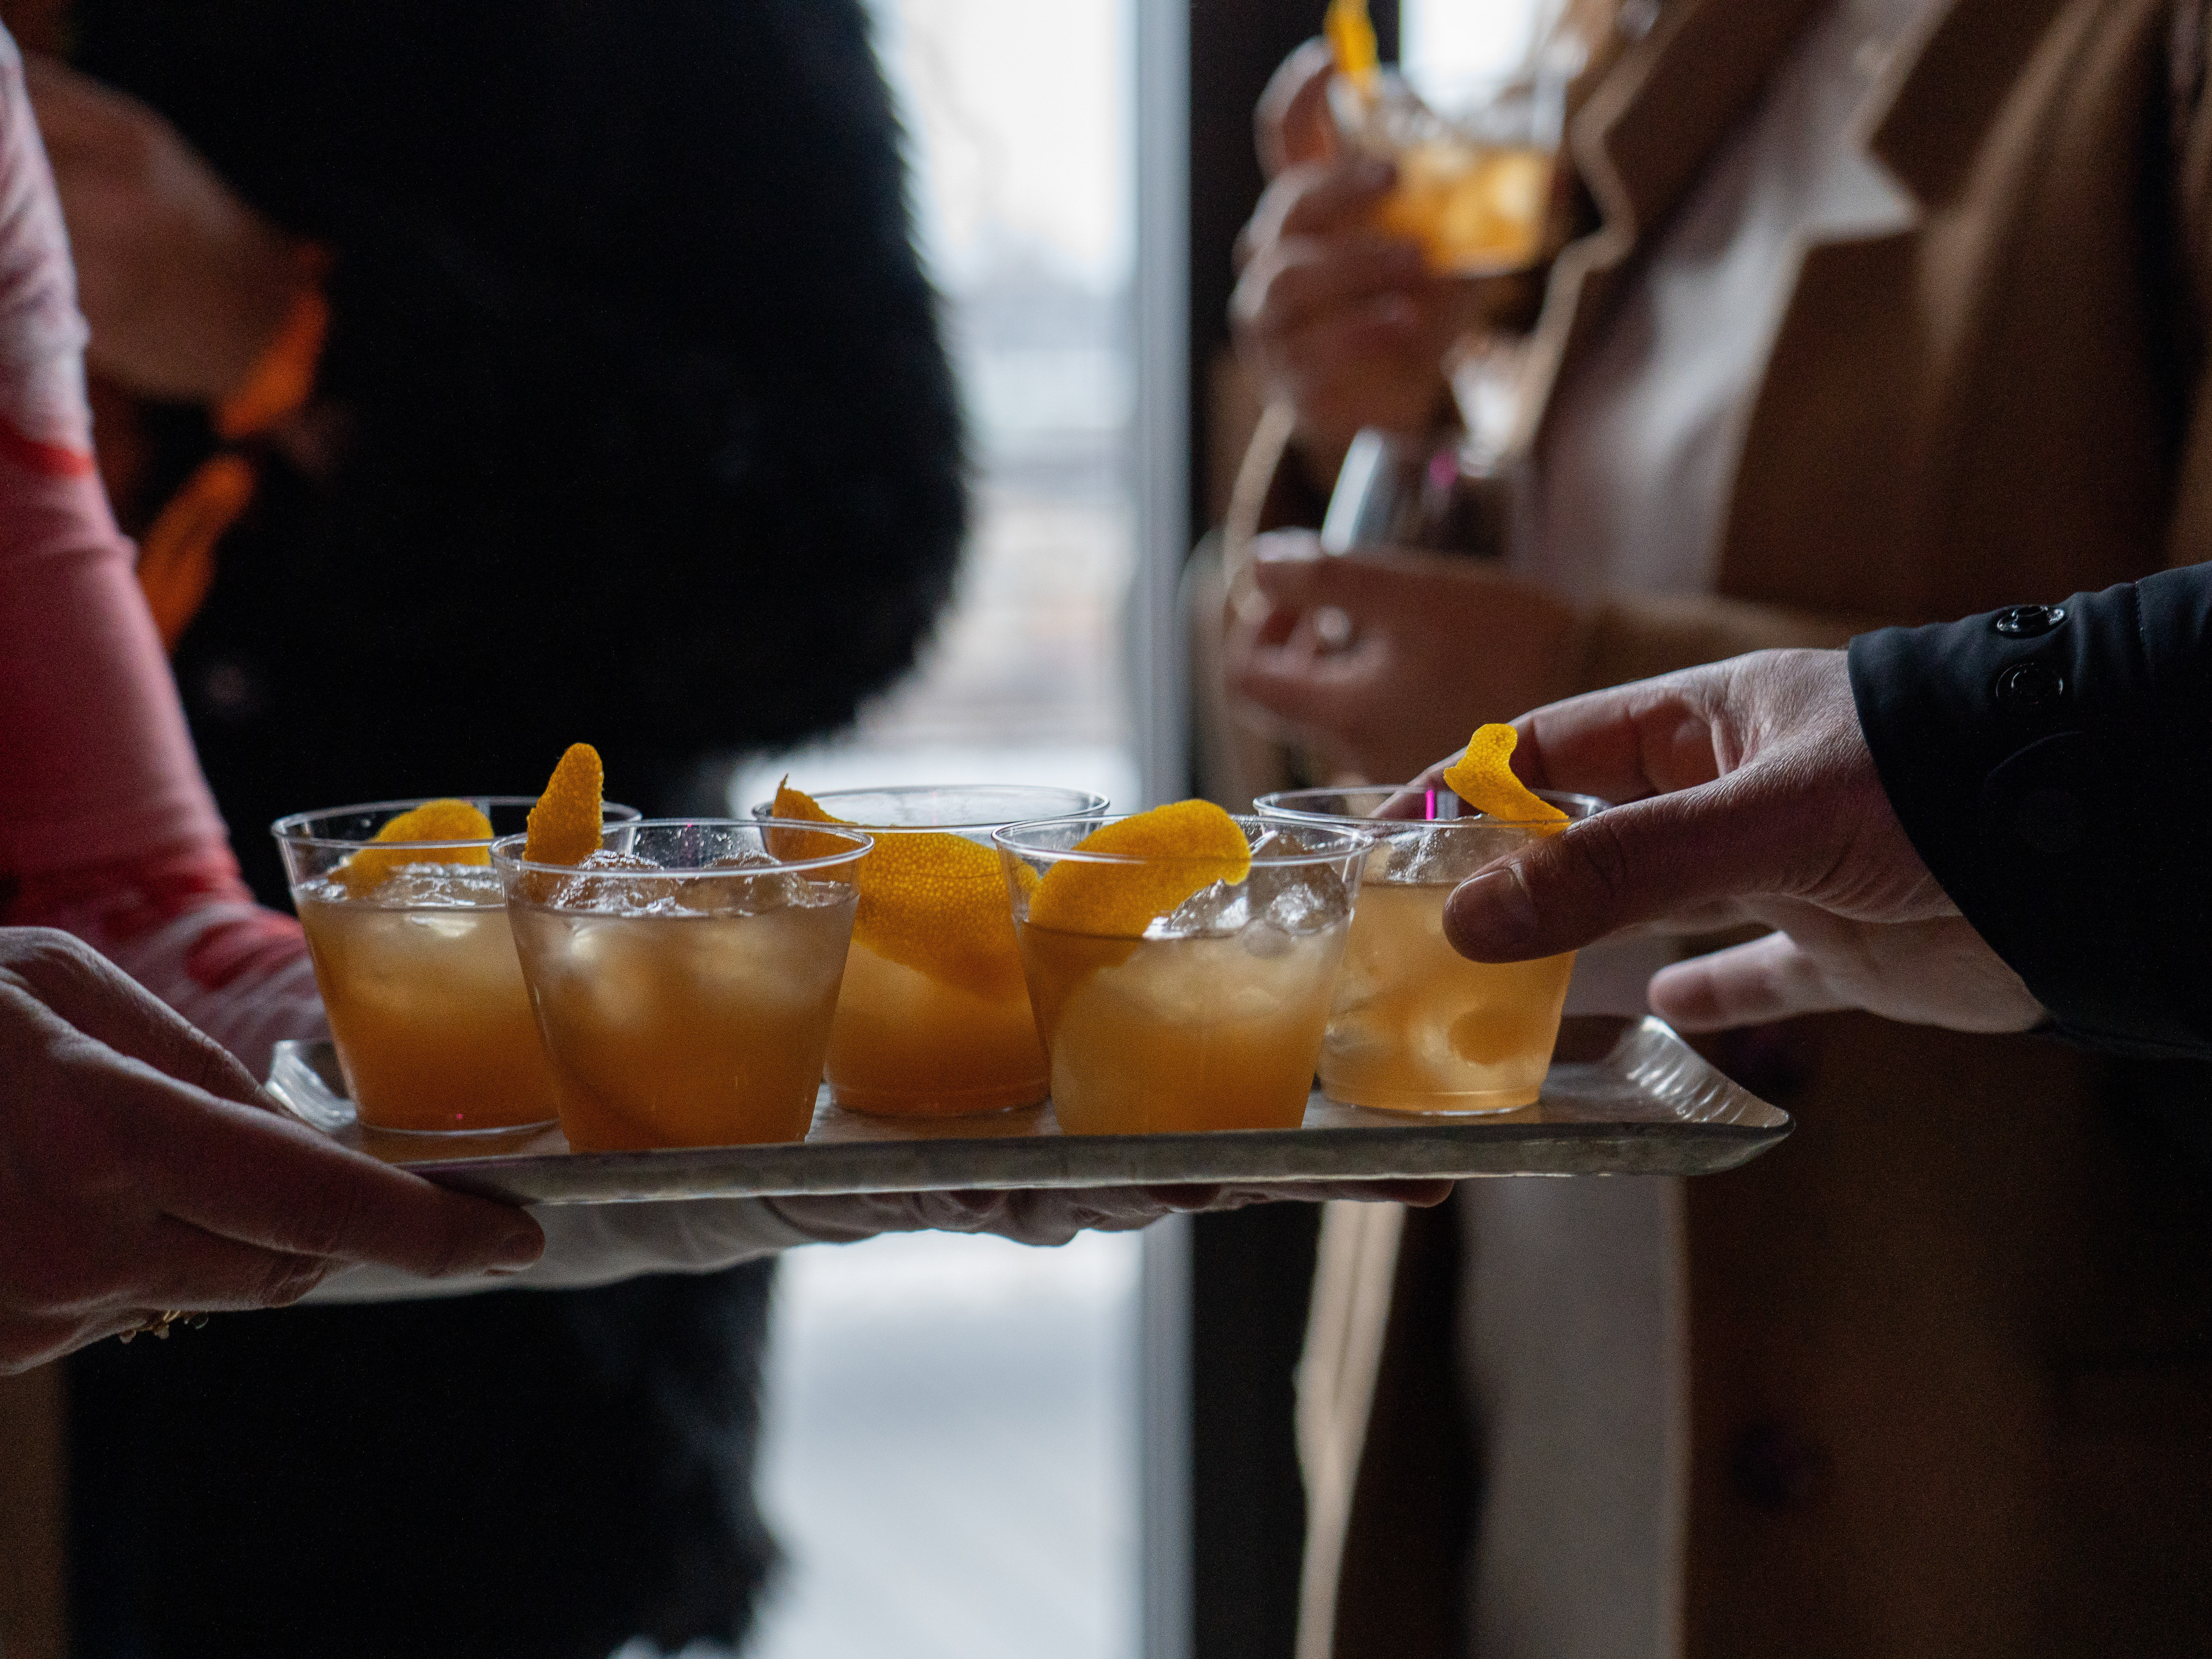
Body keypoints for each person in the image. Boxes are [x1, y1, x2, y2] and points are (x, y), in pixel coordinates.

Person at [1213, 6, 2212, 1657]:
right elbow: (1304, 780)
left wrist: (1567, 681)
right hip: (1534, 1379)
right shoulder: (1639, 61)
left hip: (1967, 1458)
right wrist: (1374, 440)